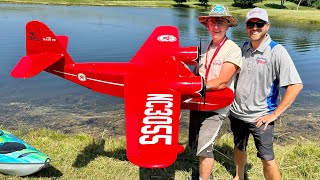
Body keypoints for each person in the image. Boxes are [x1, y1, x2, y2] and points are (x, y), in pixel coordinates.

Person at [229, 7, 303, 180]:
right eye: (250, 24)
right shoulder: (243, 48)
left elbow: (296, 85)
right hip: (237, 113)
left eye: (259, 24)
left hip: (261, 117)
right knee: (239, 147)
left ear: (267, 26)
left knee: (267, 158)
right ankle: (238, 176)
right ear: (246, 27)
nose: (254, 28)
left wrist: (274, 114)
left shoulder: (277, 51)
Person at [188, 4, 242, 180]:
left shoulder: (232, 49)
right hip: (198, 103)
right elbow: (197, 74)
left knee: (205, 146)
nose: (216, 27)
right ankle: (204, 174)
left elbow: (222, 82)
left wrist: (192, 86)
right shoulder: (204, 47)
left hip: (216, 106)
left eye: (220, 22)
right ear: (207, 25)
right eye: (213, 22)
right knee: (195, 142)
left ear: (227, 26)